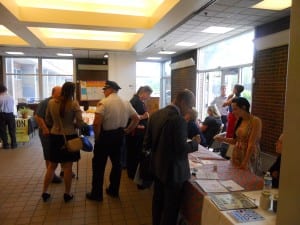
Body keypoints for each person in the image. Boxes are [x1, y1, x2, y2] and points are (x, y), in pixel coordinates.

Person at [144, 89, 201, 225]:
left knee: (157, 202)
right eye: (190, 106)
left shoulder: (156, 114)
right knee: (170, 209)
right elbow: (181, 149)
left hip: (157, 168)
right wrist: (194, 143)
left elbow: (147, 143)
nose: (189, 110)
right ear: (182, 102)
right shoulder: (178, 120)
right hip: (173, 173)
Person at [86, 80, 139, 201]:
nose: (104, 92)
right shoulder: (126, 103)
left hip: (105, 137)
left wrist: (98, 138)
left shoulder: (103, 103)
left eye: (105, 90)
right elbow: (136, 119)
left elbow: (96, 124)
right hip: (120, 136)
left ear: (110, 89)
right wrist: (128, 130)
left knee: (99, 166)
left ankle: (97, 194)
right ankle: (113, 190)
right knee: (117, 165)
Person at [42, 82, 86, 202]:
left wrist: (56, 125)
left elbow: (48, 119)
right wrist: (73, 124)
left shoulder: (51, 102)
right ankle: (67, 194)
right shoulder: (73, 103)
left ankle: (44, 192)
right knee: (67, 167)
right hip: (69, 136)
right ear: (73, 92)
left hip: (55, 136)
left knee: (51, 166)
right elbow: (80, 122)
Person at [214, 97, 262, 174]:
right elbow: (235, 141)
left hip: (248, 155)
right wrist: (222, 139)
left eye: (235, 109)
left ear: (244, 107)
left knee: (247, 178)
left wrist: (245, 161)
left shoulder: (255, 121)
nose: (233, 112)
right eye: (232, 109)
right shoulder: (239, 121)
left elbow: (251, 144)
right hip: (237, 152)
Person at [35, 86, 62, 183]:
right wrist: (45, 128)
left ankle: (63, 171)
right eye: (59, 94)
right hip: (46, 131)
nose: (61, 95)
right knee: (48, 153)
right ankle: (51, 176)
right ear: (53, 93)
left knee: (59, 151)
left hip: (56, 131)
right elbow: (38, 116)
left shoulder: (60, 102)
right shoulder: (45, 102)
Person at [126, 85, 153, 179]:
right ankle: (132, 173)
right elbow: (132, 117)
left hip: (137, 131)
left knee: (133, 153)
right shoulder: (136, 101)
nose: (149, 97)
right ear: (143, 92)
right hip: (135, 133)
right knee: (134, 153)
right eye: (148, 94)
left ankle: (132, 172)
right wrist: (144, 117)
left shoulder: (137, 101)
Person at [0, 84, 17, 149]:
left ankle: (6, 145)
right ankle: (14, 144)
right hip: (10, 114)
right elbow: (13, 106)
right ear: (5, 90)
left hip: (1, 115)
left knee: (3, 130)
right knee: (12, 130)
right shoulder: (11, 97)